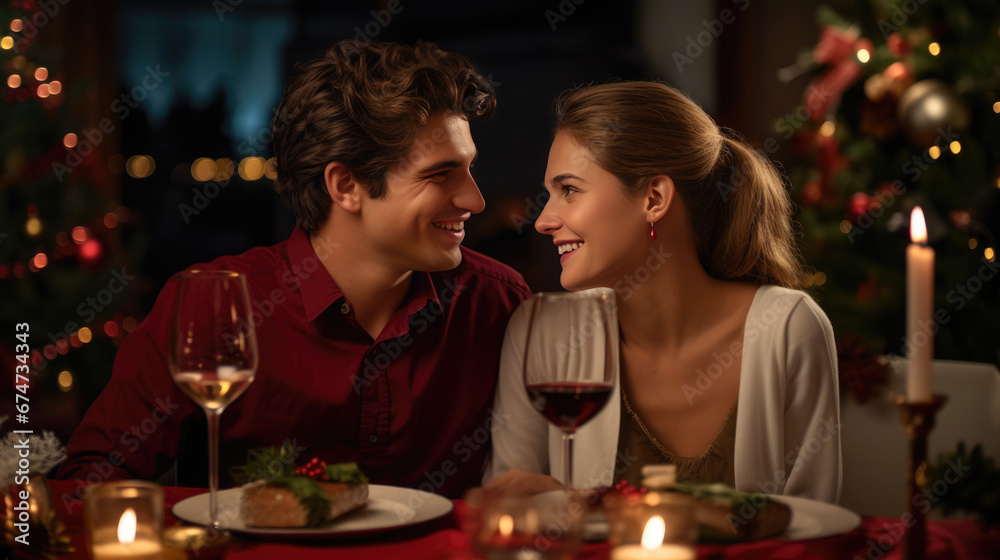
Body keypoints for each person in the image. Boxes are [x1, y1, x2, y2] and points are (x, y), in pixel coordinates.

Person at [56, 40, 531, 500]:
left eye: (468, 169)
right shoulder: (209, 307)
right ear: (346, 185)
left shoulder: (497, 302)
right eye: (439, 174)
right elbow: (87, 488)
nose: (476, 200)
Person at [484, 81, 841, 503]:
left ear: (654, 198)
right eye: (550, 194)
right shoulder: (538, 333)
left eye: (570, 190)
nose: (543, 221)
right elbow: (510, 509)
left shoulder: (787, 329)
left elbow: (814, 535)